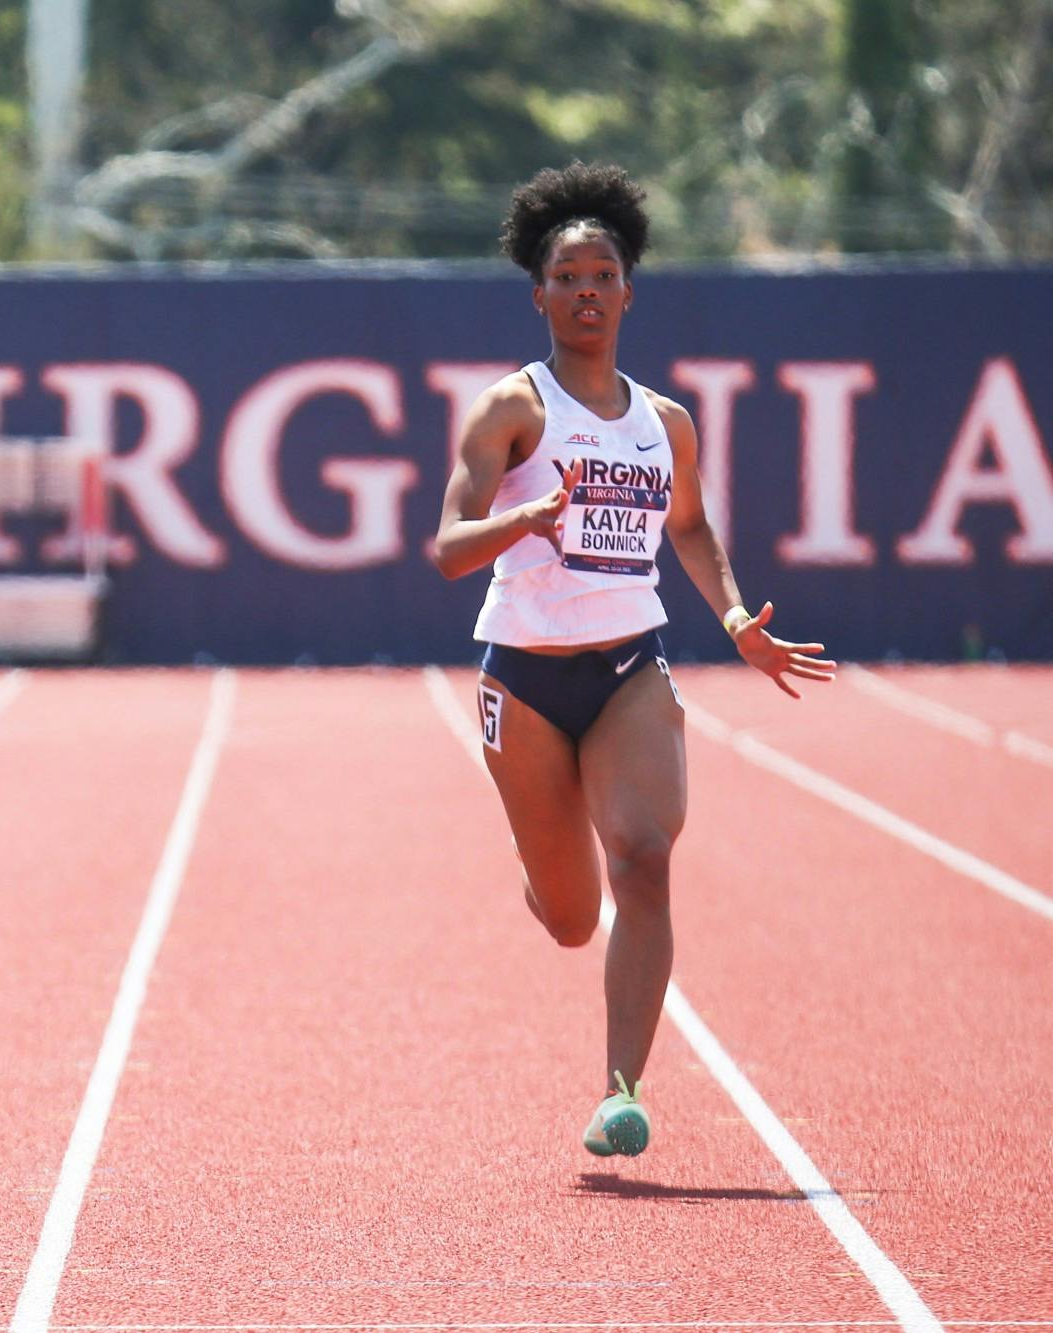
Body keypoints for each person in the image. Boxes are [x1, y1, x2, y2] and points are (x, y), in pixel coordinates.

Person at [431, 163, 834, 1156]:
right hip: (522, 676)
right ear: (539, 296)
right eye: (564, 275)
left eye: (599, 273)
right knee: (570, 917)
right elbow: (446, 547)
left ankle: (620, 1091)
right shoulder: (508, 410)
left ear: (625, 291)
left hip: (627, 670)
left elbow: (689, 531)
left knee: (645, 864)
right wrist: (521, 514)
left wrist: (735, 615)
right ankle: (542, 866)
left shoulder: (665, 425)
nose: (583, 291)